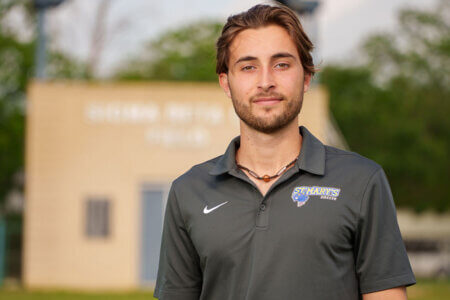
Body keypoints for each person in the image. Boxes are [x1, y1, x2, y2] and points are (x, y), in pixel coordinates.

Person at [154, 4, 415, 300]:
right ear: (227, 83)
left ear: (306, 77)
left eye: (281, 64)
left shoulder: (362, 181)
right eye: (248, 67)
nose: (266, 82)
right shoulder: (188, 191)